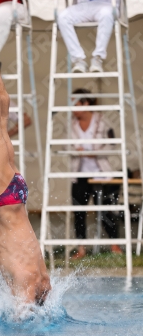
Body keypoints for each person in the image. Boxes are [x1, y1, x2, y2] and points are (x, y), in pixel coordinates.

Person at [0, 21, 51, 304]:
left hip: (16, 195)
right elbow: (23, 313)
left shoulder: (42, 281)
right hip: (7, 197)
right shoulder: (30, 284)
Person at [71, 89, 122, 259]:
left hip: (101, 172)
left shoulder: (102, 120)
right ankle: (81, 248)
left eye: (75, 104)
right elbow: (67, 147)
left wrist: (94, 151)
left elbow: (112, 143)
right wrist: (80, 151)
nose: (71, 108)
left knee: (105, 210)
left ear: (86, 104)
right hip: (80, 174)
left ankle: (115, 244)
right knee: (79, 211)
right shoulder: (71, 124)